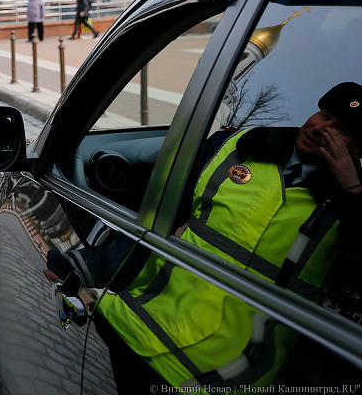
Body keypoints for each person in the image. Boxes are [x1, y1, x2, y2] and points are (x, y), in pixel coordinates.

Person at [50, 82, 362, 393]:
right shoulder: (236, 146)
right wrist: (80, 264)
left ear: (359, 151)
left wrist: (351, 193)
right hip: (126, 332)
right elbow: (158, 225)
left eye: (342, 129)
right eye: (323, 114)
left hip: (218, 380)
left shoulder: (351, 207)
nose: (323, 127)